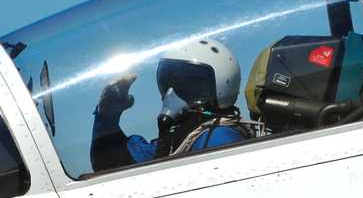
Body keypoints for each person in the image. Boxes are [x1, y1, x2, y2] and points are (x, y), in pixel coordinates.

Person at [89, 38, 257, 173]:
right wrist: (107, 115)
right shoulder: (175, 140)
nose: (171, 94)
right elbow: (109, 162)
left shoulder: (219, 139)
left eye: (186, 86)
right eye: (167, 83)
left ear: (220, 86)